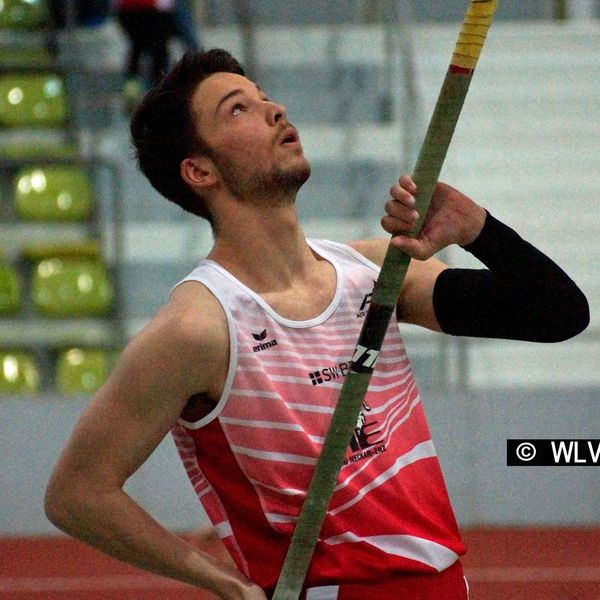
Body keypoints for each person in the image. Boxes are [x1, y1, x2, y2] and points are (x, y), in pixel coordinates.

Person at [44, 49, 589, 599]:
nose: (274, 110)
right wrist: (224, 585)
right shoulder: (198, 327)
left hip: (445, 586)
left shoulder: (376, 272)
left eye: (264, 98)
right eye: (238, 110)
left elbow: (559, 313)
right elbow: (77, 493)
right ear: (200, 170)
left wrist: (479, 230)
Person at [115, 0, 176, 110]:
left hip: (128, 10)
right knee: (159, 50)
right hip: (153, 9)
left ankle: (132, 88)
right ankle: (158, 91)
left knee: (137, 48)